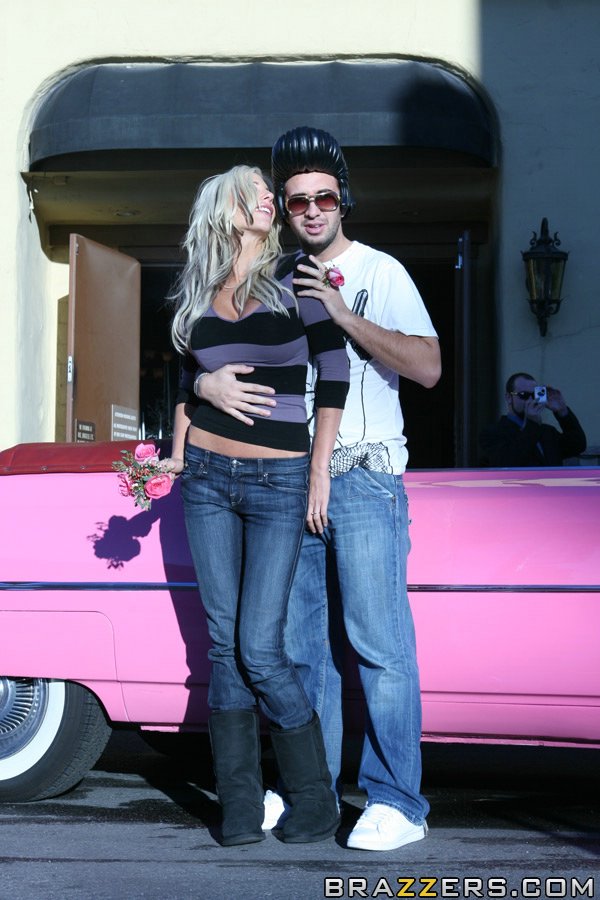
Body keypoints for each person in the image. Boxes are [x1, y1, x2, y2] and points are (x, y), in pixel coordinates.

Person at [196, 128, 442, 852]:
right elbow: (216, 351)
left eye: (323, 198)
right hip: (290, 478)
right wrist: (203, 386)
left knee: (377, 645)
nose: (310, 210)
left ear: (343, 201)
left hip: (363, 475)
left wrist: (342, 314)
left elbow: (428, 368)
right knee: (302, 650)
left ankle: (398, 801)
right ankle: (317, 792)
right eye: (296, 199)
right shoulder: (272, 277)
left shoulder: (380, 271)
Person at [162, 165, 349, 847]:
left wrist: (319, 470)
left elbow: (335, 372)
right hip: (207, 478)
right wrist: (191, 415)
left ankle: (315, 799)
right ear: (225, 208)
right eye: (255, 191)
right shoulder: (197, 289)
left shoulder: (299, 277)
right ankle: (238, 805)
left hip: (279, 480)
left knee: (260, 648)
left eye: (270, 192)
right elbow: (185, 382)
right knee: (222, 645)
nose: (270, 198)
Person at [479, 372, 586, 466]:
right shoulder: (493, 433)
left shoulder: (547, 432)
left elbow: (578, 445)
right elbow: (509, 462)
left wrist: (562, 411)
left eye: (534, 395)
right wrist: (532, 424)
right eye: (523, 395)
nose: (530, 400)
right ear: (508, 397)